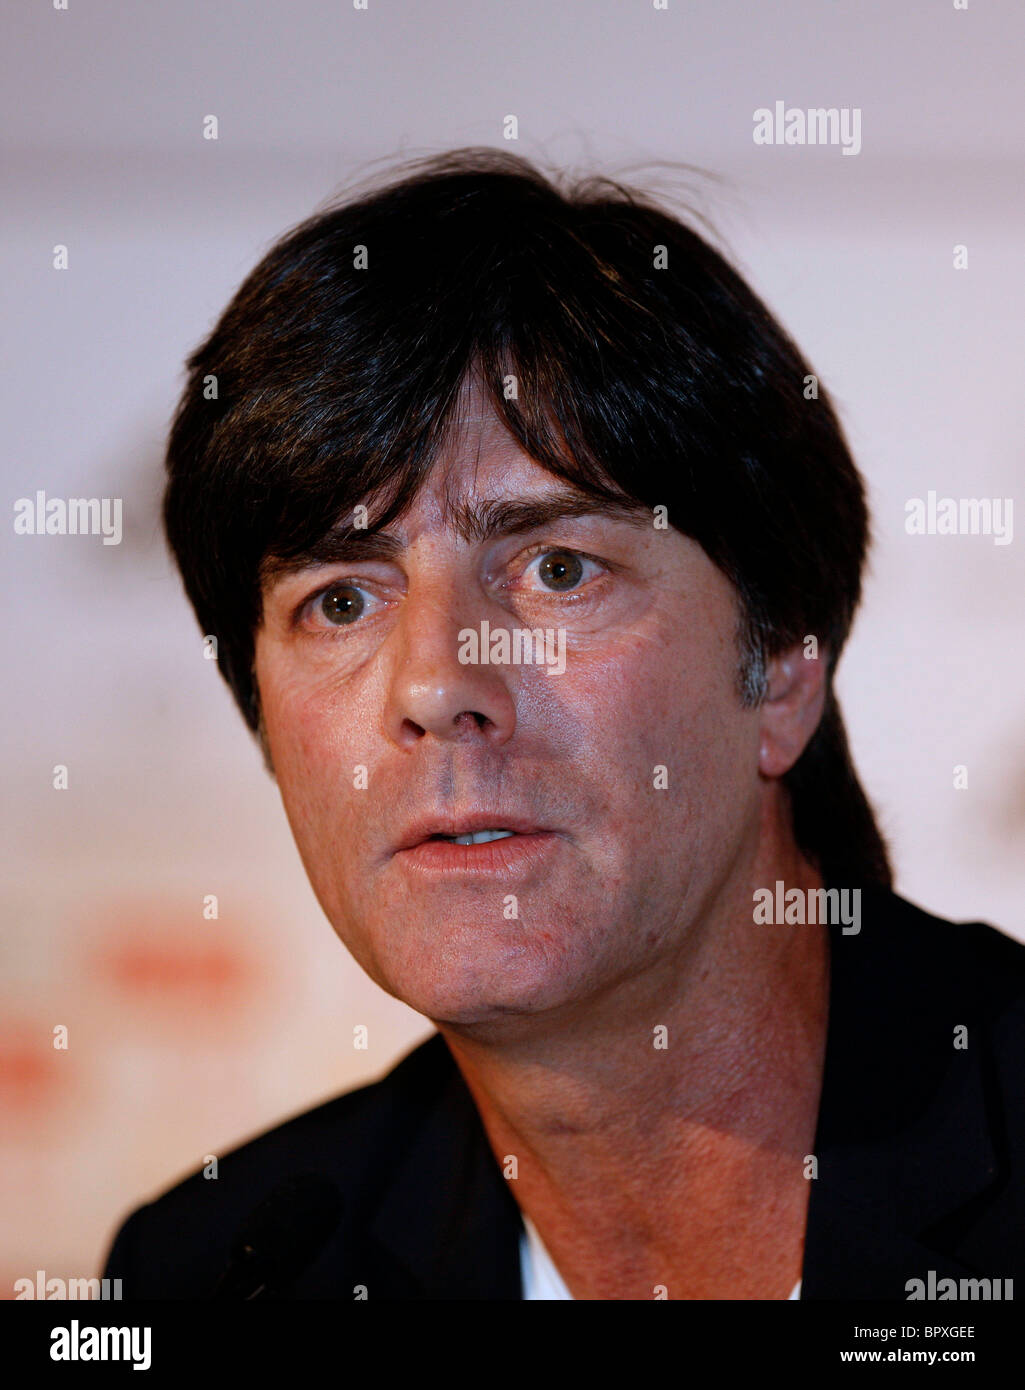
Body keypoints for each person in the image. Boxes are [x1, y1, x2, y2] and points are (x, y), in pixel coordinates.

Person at [101, 148, 1025, 1300]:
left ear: (783, 668)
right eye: (339, 599)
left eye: (554, 567)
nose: (437, 683)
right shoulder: (219, 1272)